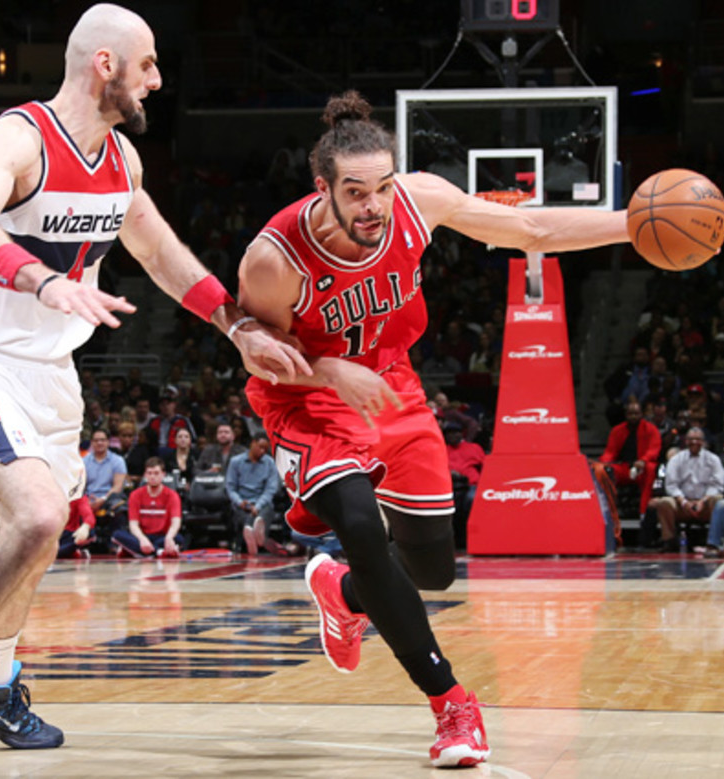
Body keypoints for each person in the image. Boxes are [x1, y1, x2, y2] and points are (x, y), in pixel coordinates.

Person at [0, 6, 308, 779]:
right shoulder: (19, 139)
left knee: (42, 536)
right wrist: (44, 280)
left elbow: (159, 251)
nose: (157, 80)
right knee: (38, 513)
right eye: (147, 65)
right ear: (106, 64)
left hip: (50, 376)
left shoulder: (121, 162)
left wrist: (236, 326)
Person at [235, 89, 642, 768]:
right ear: (324, 189)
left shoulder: (419, 202)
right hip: (306, 396)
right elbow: (255, 350)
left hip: (392, 384)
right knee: (362, 526)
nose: (373, 205)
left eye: (383, 187)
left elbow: (532, 231)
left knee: (431, 570)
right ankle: (453, 704)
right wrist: (334, 373)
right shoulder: (275, 257)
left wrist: (632, 223)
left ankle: (344, 592)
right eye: (356, 192)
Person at [648, 428, 724, 552]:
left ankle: (713, 542)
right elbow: (671, 485)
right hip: (682, 504)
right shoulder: (676, 459)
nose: (694, 442)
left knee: (720, 501)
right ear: (685, 441)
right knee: (664, 502)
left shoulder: (713, 459)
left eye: (698, 439)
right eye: (691, 439)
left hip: (705, 504)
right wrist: (684, 502)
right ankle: (669, 541)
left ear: (703, 441)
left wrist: (702, 501)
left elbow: (718, 485)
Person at [598, 399, 661, 517]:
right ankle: (608, 511)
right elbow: (610, 452)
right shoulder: (617, 430)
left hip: (642, 468)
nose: (633, 417)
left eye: (636, 413)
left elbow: (654, 449)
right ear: (626, 415)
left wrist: (643, 460)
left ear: (641, 414)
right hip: (624, 468)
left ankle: (643, 512)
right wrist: (603, 462)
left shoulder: (651, 429)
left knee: (651, 468)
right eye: (630, 414)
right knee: (602, 470)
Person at [112, 457, 185, 557]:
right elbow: (133, 525)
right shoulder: (135, 495)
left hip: (162, 536)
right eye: (149, 473)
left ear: (163, 475)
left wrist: (169, 537)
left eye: (156, 473)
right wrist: (142, 540)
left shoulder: (172, 495)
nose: (152, 477)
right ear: (145, 475)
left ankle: (136, 551)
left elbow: (176, 522)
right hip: (142, 536)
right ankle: (158, 552)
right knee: (117, 535)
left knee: (179, 539)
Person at [225, 433, 282, 556]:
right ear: (252, 443)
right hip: (242, 501)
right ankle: (256, 537)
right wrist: (240, 502)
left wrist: (258, 505)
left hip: (261, 501)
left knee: (265, 511)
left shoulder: (270, 463)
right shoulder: (235, 462)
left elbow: (270, 489)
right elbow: (230, 487)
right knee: (239, 512)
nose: (262, 451)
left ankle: (253, 533)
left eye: (265, 449)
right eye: (260, 447)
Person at [83, 429, 128, 516]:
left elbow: (117, 487)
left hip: (110, 499)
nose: (99, 443)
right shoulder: (84, 462)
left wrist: (103, 499)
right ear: (91, 443)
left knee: (119, 505)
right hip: (88, 500)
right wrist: (86, 501)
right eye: (96, 440)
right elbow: (81, 487)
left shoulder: (118, 461)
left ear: (108, 442)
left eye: (103, 440)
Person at [58, 496, 97, 560]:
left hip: (70, 535)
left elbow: (89, 516)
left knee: (91, 533)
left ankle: (71, 549)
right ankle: (72, 550)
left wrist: (85, 527)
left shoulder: (78, 496)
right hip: (50, 535)